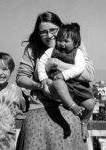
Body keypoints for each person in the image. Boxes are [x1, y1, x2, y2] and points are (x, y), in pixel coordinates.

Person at [16, 11, 95, 150]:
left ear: (60, 28)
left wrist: (57, 64)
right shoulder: (33, 49)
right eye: (43, 32)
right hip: (39, 107)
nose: (49, 35)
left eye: (53, 30)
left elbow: (89, 76)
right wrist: (41, 85)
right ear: (38, 34)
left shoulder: (76, 44)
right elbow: (21, 78)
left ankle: (82, 124)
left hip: (69, 108)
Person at [37, 22, 95, 139]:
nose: (62, 44)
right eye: (60, 40)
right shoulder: (51, 51)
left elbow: (80, 68)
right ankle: (72, 106)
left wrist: (64, 75)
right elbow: (41, 63)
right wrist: (43, 77)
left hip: (76, 85)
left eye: (66, 41)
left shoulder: (78, 52)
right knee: (58, 83)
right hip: (59, 85)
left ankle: (84, 123)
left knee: (91, 103)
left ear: (76, 43)